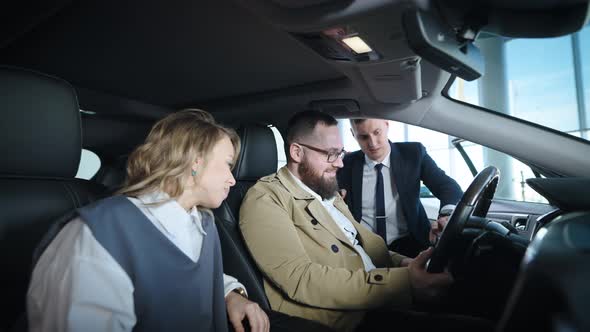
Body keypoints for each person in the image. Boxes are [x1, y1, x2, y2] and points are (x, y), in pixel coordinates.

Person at [27, 110, 269, 332]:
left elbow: (188, 276)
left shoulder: (203, 224)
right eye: (228, 165)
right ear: (196, 161)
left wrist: (231, 294)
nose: (232, 179)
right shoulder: (98, 236)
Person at [239, 110, 461, 332]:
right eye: (331, 154)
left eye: (340, 153)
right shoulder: (265, 198)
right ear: (297, 152)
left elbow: (360, 245)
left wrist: (406, 265)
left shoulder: (326, 191)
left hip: (375, 299)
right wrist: (405, 281)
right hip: (344, 320)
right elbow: (301, 279)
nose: (340, 164)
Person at [337, 118, 463, 258]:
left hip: (411, 245)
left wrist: (445, 216)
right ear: (353, 134)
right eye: (364, 136)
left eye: (377, 132)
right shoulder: (345, 164)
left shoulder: (413, 154)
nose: (372, 143)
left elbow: (448, 187)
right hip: (363, 248)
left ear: (386, 124)